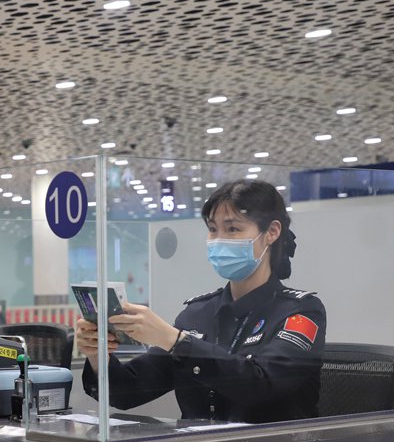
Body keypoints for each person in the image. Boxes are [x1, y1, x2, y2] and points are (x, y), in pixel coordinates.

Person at [76, 179, 326, 423]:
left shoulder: (301, 312)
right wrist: (98, 355)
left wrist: (176, 342)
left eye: (233, 229)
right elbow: (129, 390)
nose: (219, 240)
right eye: (213, 229)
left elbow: (262, 385)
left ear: (271, 232)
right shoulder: (197, 314)